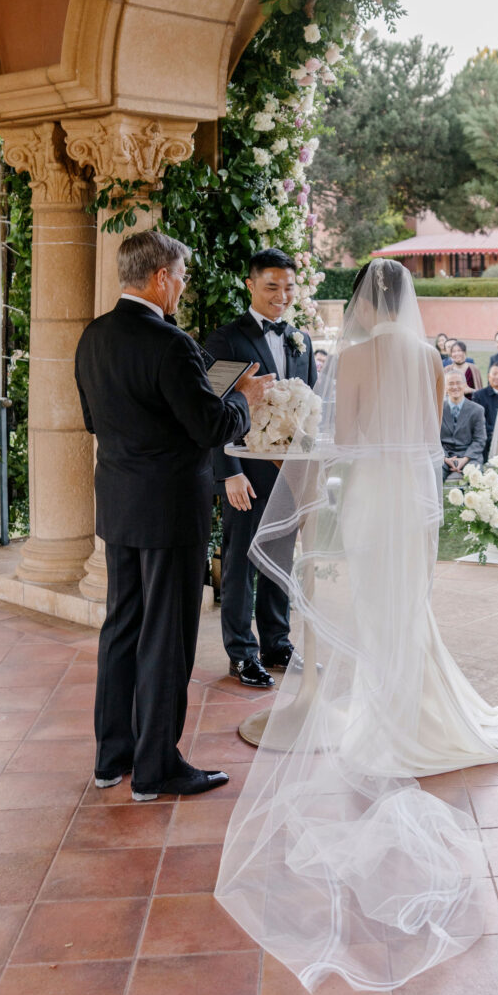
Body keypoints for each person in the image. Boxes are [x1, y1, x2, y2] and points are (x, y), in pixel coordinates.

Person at [215, 260, 498, 992]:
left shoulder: (353, 357)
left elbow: (345, 437)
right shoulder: (430, 358)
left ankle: (387, 715)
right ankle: (409, 707)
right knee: (405, 605)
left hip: (366, 497)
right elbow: (424, 438)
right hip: (408, 500)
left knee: (372, 607)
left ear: (367, 302)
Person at [75, 228, 270, 800]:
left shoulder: (93, 336)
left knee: (121, 629)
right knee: (168, 636)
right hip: (169, 512)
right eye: (180, 277)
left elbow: (96, 419)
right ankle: (157, 767)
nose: (182, 288)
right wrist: (242, 401)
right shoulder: (171, 344)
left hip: (119, 505)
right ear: (161, 278)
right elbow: (211, 426)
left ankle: (112, 760)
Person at [205, 249, 317, 690]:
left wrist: (304, 472)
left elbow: (307, 411)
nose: (282, 296)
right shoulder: (226, 339)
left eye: (289, 287)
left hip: (289, 473)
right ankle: (241, 652)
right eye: (272, 287)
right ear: (250, 286)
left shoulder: (302, 341)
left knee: (280, 559)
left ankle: (277, 643)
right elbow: (213, 410)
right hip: (246, 475)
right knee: (240, 563)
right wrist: (229, 471)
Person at [440, 367, 486, 479]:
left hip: (469, 456)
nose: (455, 387)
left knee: (474, 477)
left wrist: (465, 458)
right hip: (444, 455)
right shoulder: (438, 409)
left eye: (458, 383)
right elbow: (432, 439)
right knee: (433, 473)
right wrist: (445, 458)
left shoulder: (477, 410)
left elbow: (480, 439)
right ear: (445, 387)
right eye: (451, 384)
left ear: (465, 385)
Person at [471, 361, 498, 459]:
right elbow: (477, 421)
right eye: (494, 374)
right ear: (489, 376)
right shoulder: (479, 395)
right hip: (486, 437)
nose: (497, 377)